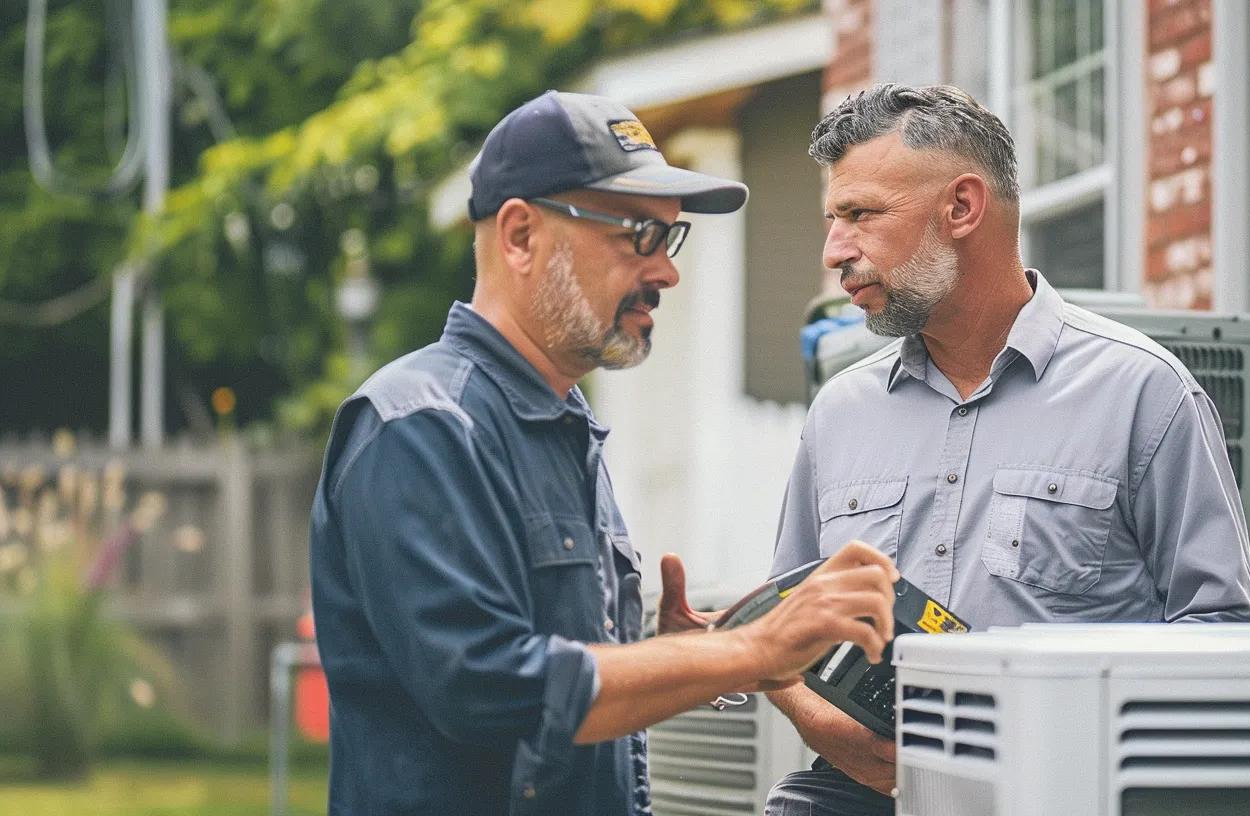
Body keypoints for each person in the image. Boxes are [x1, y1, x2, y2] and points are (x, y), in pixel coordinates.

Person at [308, 90, 900, 816]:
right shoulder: (419, 425)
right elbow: (489, 689)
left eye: (669, 239)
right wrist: (750, 651)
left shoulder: (562, 424)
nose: (667, 273)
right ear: (521, 236)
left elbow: (559, 687)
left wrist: (663, 651)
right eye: (636, 235)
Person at [762, 84, 1250, 815]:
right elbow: (782, 634)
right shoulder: (839, 412)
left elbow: (1221, 637)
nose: (835, 250)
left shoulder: (1143, 393)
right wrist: (832, 733)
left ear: (962, 208)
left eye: (861, 215)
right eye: (834, 220)